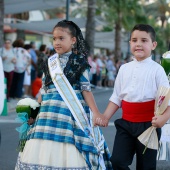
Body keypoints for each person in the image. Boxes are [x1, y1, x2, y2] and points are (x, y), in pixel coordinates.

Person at [15, 20, 112, 169]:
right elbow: (43, 90)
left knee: (69, 147)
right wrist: (34, 111)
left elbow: (86, 89)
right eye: (54, 39)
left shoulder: (79, 62)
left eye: (61, 38)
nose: (57, 42)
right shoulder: (49, 62)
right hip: (47, 113)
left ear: (73, 40)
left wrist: (96, 112)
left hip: (69, 113)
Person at [96, 24, 170, 170]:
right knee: (117, 161)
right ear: (130, 43)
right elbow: (117, 97)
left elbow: (167, 99)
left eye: (144, 40)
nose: (139, 44)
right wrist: (105, 116)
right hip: (126, 124)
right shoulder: (124, 69)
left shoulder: (157, 70)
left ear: (153, 45)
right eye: (134, 40)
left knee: (146, 166)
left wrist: (163, 118)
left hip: (149, 125)